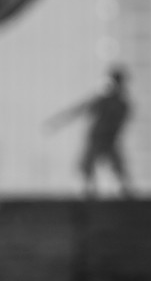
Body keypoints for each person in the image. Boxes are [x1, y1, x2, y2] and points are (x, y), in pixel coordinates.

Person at [47, 65, 134, 197]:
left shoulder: (121, 104)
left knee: (116, 169)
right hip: (98, 138)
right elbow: (79, 109)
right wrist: (56, 122)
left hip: (108, 140)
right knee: (88, 169)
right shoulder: (104, 100)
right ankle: (89, 196)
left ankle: (124, 196)